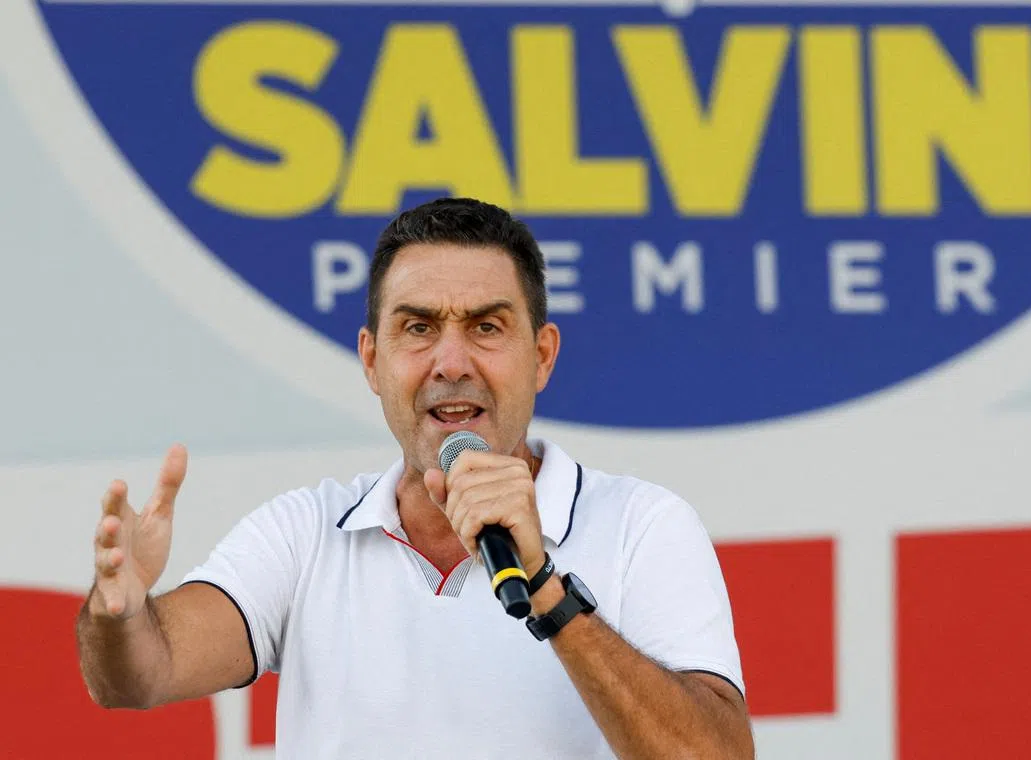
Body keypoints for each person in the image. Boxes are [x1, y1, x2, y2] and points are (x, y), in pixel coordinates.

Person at [76, 197, 754, 759]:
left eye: (487, 326)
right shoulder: (307, 533)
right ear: (372, 361)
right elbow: (140, 673)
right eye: (418, 328)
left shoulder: (642, 525)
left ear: (541, 356)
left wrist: (544, 586)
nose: (451, 361)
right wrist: (121, 613)